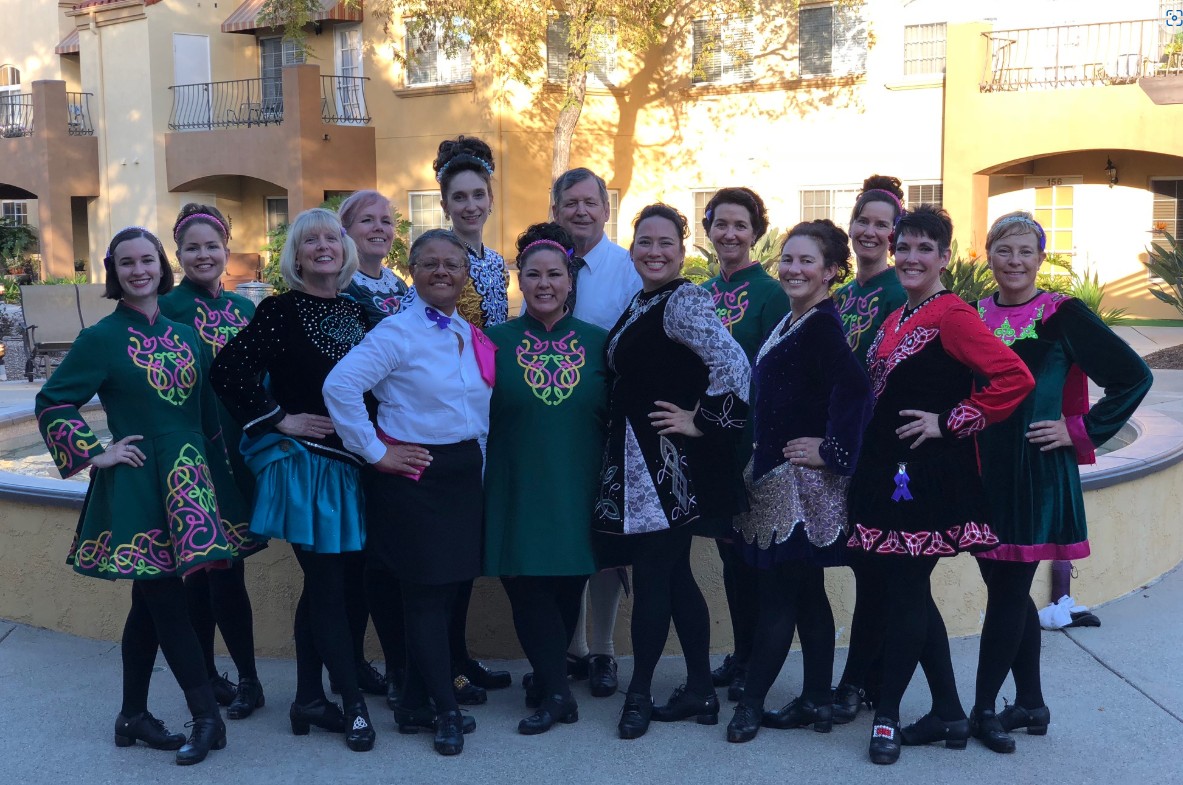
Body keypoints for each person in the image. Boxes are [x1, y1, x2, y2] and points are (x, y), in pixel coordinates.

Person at [35, 226, 240, 765]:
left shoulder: (187, 334)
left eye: (147, 259)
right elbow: (53, 400)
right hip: (139, 483)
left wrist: (219, 487)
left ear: (160, 265)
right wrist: (93, 452)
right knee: (166, 600)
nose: (138, 270)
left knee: (148, 605)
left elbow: (208, 420)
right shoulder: (100, 338)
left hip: (189, 483)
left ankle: (132, 716)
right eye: (126, 262)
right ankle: (207, 717)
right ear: (114, 271)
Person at [845, 205, 1033, 765]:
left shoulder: (952, 315)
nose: (910, 257)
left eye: (924, 248)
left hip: (923, 478)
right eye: (903, 247)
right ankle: (948, 710)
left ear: (945, 257)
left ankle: (887, 715)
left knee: (906, 590)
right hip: (889, 474)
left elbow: (1014, 376)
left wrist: (950, 421)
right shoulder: (898, 316)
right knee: (906, 590)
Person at [971, 212, 1151, 752]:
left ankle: (982, 709)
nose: (1015, 261)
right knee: (1005, 590)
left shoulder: (1062, 314)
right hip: (983, 475)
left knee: (1007, 593)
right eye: (1004, 250)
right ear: (988, 254)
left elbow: (1133, 376)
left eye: (1025, 251)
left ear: (1040, 258)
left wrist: (1079, 430)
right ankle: (1031, 704)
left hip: (1036, 476)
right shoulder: (974, 314)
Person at [323, 229, 494, 756]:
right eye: (430, 263)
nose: (442, 271)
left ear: (465, 274)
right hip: (415, 476)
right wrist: (375, 452)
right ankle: (445, 711)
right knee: (424, 597)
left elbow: (476, 411)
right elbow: (340, 386)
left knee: (448, 594)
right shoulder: (396, 332)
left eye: (452, 264)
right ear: (413, 271)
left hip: (462, 474)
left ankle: (415, 701)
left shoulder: (468, 333)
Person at [210, 207, 375, 753]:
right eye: (310, 241)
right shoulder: (279, 311)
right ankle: (353, 705)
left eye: (332, 237)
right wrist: (280, 418)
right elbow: (227, 371)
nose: (323, 246)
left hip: (353, 467)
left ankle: (308, 698)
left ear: (345, 250)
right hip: (306, 467)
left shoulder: (360, 312)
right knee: (328, 584)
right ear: (297, 257)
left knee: (337, 585)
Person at [592, 204, 750, 740]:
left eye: (665, 243)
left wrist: (701, 421)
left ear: (682, 253)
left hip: (667, 468)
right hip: (641, 464)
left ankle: (639, 694)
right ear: (632, 249)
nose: (654, 251)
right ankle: (701, 689)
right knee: (674, 574)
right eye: (645, 242)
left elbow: (734, 365)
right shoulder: (644, 301)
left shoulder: (682, 299)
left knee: (654, 575)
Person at [725, 220, 873, 743]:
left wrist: (832, 451)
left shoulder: (822, 326)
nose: (793, 268)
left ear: (831, 271)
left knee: (778, 598)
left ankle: (751, 704)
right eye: (788, 258)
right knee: (807, 592)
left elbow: (857, 391)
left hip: (798, 486)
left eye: (807, 261)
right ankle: (817, 701)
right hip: (776, 477)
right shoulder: (796, 319)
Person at [484, 223, 608, 735]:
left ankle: (550, 678)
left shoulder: (600, 342)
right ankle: (558, 691)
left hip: (579, 482)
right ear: (520, 280)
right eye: (533, 274)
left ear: (569, 281)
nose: (544, 284)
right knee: (527, 586)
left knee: (567, 583)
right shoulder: (491, 342)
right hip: (516, 482)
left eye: (554, 274)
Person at [402, 137, 511, 702]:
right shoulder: (433, 264)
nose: (470, 205)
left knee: (466, 548)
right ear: (444, 204)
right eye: (459, 197)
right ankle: (441, 667)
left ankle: (460, 655)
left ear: (491, 199)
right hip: (438, 421)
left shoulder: (494, 264)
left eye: (478, 195)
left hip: (482, 414)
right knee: (440, 555)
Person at [159, 203, 266, 721]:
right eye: (192, 248)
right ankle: (207, 677)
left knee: (228, 572)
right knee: (198, 574)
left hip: (239, 455)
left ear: (227, 249)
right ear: (177, 255)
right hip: (191, 458)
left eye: (211, 246)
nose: (203, 255)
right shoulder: (165, 308)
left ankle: (248, 679)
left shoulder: (246, 310)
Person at [550, 167, 643, 698]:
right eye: (571, 203)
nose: (581, 211)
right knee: (567, 532)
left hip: (612, 423)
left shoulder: (628, 269)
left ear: (606, 211)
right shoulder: (547, 264)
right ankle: (572, 648)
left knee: (608, 539)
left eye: (591, 202)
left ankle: (603, 650)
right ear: (556, 210)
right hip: (558, 422)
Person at [697, 186, 790, 703]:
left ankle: (756, 660)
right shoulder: (701, 293)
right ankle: (740, 653)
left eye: (740, 225)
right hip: (711, 441)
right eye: (721, 224)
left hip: (754, 440)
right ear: (708, 230)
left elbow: (777, 372)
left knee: (756, 558)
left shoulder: (772, 294)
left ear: (755, 233)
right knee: (729, 556)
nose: (729, 234)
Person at [829, 175, 909, 723]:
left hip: (883, 452)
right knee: (864, 566)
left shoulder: (899, 293)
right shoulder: (843, 296)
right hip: (845, 450)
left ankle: (861, 680)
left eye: (883, 225)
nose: (871, 232)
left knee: (881, 571)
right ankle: (867, 677)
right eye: (864, 221)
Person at [337, 190, 412, 708]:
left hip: (400, 431)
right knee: (362, 560)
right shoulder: (340, 287)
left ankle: (400, 662)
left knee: (391, 553)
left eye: (386, 220)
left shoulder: (400, 286)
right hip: (358, 435)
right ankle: (355, 664)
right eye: (367, 220)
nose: (380, 228)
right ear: (346, 230)